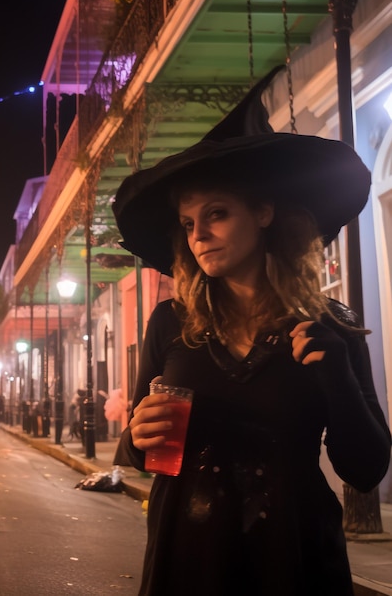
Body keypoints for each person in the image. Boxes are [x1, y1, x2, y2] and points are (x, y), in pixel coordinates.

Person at [112, 66, 391, 596]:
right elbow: (139, 453)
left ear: (263, 213)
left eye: (216, 214)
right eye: (189, 223)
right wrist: (135, 436)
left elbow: (365, 469)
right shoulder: (171, 323)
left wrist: (338, 379)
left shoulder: (330, 328)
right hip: (186, 562)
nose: (200, 236)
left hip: (294, 561)